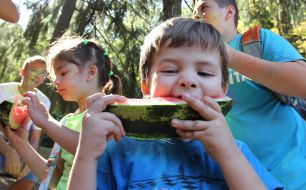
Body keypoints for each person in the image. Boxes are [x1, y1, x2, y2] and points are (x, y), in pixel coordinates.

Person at [68, 17, 283, 190]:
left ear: (223, 89)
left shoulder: (237, 151)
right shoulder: (117, 150)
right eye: (170, 70)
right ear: (145, 87)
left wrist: (229, 156)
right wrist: (86, 155)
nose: (188, 80)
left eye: (204, 72)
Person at [193, 1, 306, 189]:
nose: (197, 17)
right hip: (232, 180)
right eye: (195, 13)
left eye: (204, 8)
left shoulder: (258, 41)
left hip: (293, 177)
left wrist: (230, 56)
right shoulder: (193, 61)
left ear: (229, 12)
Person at [4, 35, 122, 190]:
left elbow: (92, 150)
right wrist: (22, 146)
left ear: (91, 72)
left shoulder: (109, 114)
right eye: (54, 76)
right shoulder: (67, 121)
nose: (56, 82)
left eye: (63, 73)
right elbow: (52, 176)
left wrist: (47, 122)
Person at [0, 55, 51, 190]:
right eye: (34, 70)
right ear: (22, 72)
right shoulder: (2, 90)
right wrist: (7, 151)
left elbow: (34, 139)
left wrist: (30, 160)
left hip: (20, 148)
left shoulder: (44, 101)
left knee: (36, 174)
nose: (38, 76)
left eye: (43, 73)